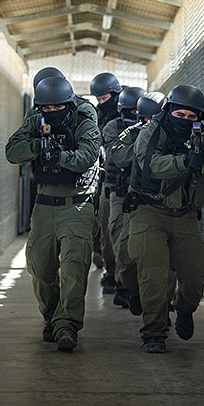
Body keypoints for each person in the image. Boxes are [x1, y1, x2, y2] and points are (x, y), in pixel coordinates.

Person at [126, 84, 204, 353]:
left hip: (185, 215)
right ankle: (154, 333)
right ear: (169, 110)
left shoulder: (203, 136)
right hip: (149, 210)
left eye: (192, 117)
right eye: (180, 115)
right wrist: (185, 161)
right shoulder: (152, 130)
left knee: (195, 278)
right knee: (154, 276)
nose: (185, 121)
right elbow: (149, 165)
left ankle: (184, 309)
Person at [5, 76, 101, 352]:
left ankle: (67, 326)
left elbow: (87, 156)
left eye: (58, 107)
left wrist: (58, 155)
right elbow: (12, 151)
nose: (52, 113)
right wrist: (37, 146)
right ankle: (52, 316)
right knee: (40, 266)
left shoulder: (84, 122)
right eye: (46, 108)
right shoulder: (35, 122)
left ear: (69, 104)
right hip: (45, 206)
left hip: (77, 205)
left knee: (74, 268)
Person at [111, 91, 166, 315]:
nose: (147, 123)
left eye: (152, 119)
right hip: (133, 199)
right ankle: (132, 289)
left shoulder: (172, 134)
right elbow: (118, 157)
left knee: (162, 264)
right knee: (125, 252)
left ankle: (161, 311)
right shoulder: (131, 133)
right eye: (143, 119)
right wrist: (143, 143)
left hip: (160, 204)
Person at [102, 86, 145, 307]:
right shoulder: (113, 128)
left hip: (144, 193)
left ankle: (137, 288)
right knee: (119, 239)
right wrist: (143, 143)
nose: (136, 118)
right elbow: (118, 156)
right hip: (119, 192)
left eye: (140, 113)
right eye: (131, 113)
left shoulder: (153, 126)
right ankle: (124, 285)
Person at [90, 72, 122, 294]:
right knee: (106, 226)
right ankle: (111, 272)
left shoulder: (128, 111)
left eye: (105, 98)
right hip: (104, 179)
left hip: (126, 179)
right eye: (98, 99)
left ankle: (124, 276)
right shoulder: (96, 116)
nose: (102, 103)